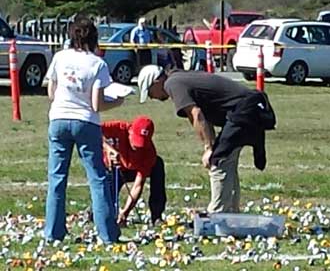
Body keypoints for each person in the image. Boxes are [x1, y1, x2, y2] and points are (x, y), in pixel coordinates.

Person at [137, 65, 276, 214]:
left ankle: (217, 215)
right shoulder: (178, 77)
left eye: (150, 92)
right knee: (226, 161)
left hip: (245, 109)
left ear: (157, 81)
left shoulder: (172, 83)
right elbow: (201, 117)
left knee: (218, 161)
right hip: (249, 107)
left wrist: (209, 148)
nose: (153, 97)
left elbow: (196, 115)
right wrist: (211, 144)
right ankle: (231, 213)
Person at [45, 16, 123, 244]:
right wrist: (117, 102)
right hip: (85, 121)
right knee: (97, 178)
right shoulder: (97, 64)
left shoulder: (60, 57)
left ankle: (53, 232)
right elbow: (97, 104)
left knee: (57, 178)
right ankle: (107, 234)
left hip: (58, 118)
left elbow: (51, 92)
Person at [101, 116, 166, 225]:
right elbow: (92, 131)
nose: (137, 147)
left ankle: (156, 216)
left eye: (142, 144)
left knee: (157, 166)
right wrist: (108, 148)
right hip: (114, 168)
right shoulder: (119, 127)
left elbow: (138, 185)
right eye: (136, 140)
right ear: (130, 130)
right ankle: (96, 212)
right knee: (106, 200)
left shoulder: (149, 153)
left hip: (134, 169)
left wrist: (125, 213)